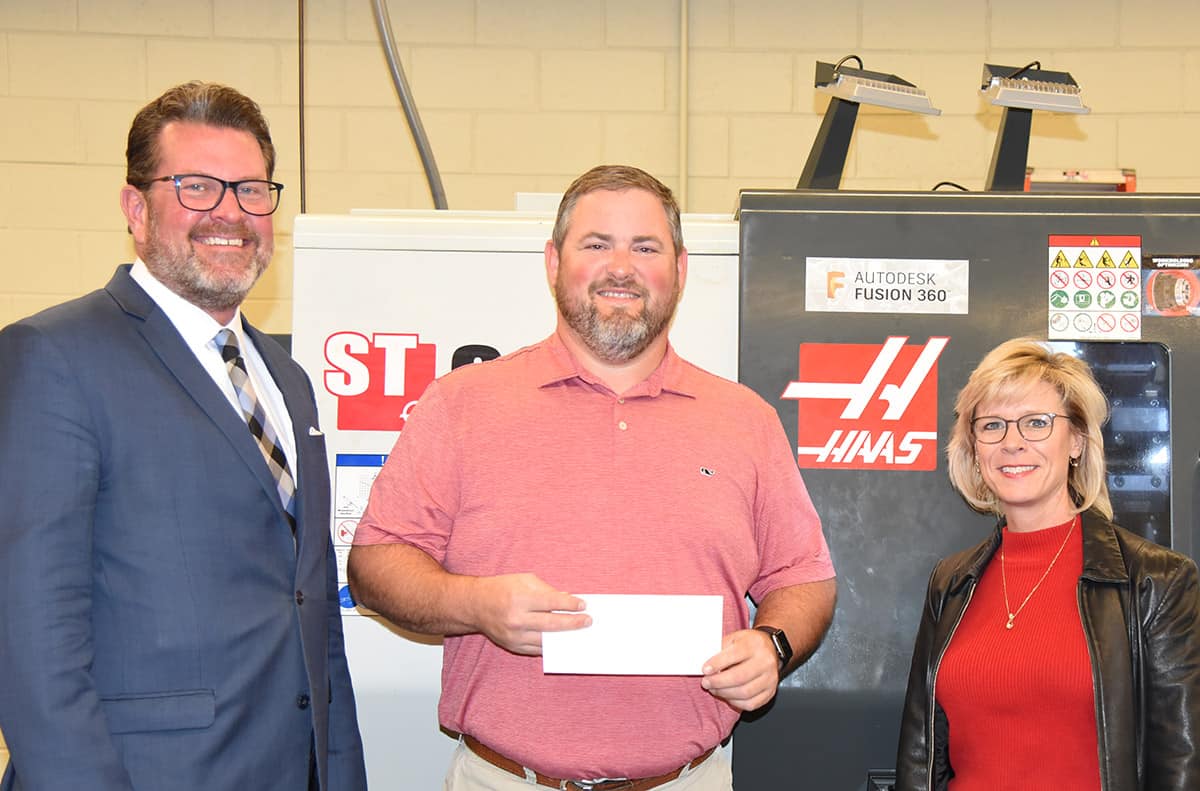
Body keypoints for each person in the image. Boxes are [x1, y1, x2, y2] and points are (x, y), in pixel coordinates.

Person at [347, 164, 837, 789]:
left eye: (646, 248)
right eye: (597, 244)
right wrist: (476, 605)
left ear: (681, 269)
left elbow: (803, 576)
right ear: (554, 262)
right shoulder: (461, 404)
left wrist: (772, 645)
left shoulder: (746, 420)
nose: (621, 268)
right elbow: (375, 564)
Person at [0, 82, 367, 791]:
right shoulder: (55, 357)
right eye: (197, 186)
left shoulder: (288, 380)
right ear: (136, 209)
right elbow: (30, 636)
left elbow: (313, 612)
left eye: (252, 190)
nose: (230, 212)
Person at [896, 338, 1200, 790]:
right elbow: (919, 756)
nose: (1012, 443)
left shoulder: (1156, 580)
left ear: (1076, 441)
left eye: (1036, 423)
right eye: (992, 425)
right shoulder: (951, 582)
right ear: (974, 449)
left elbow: (1181, 764)